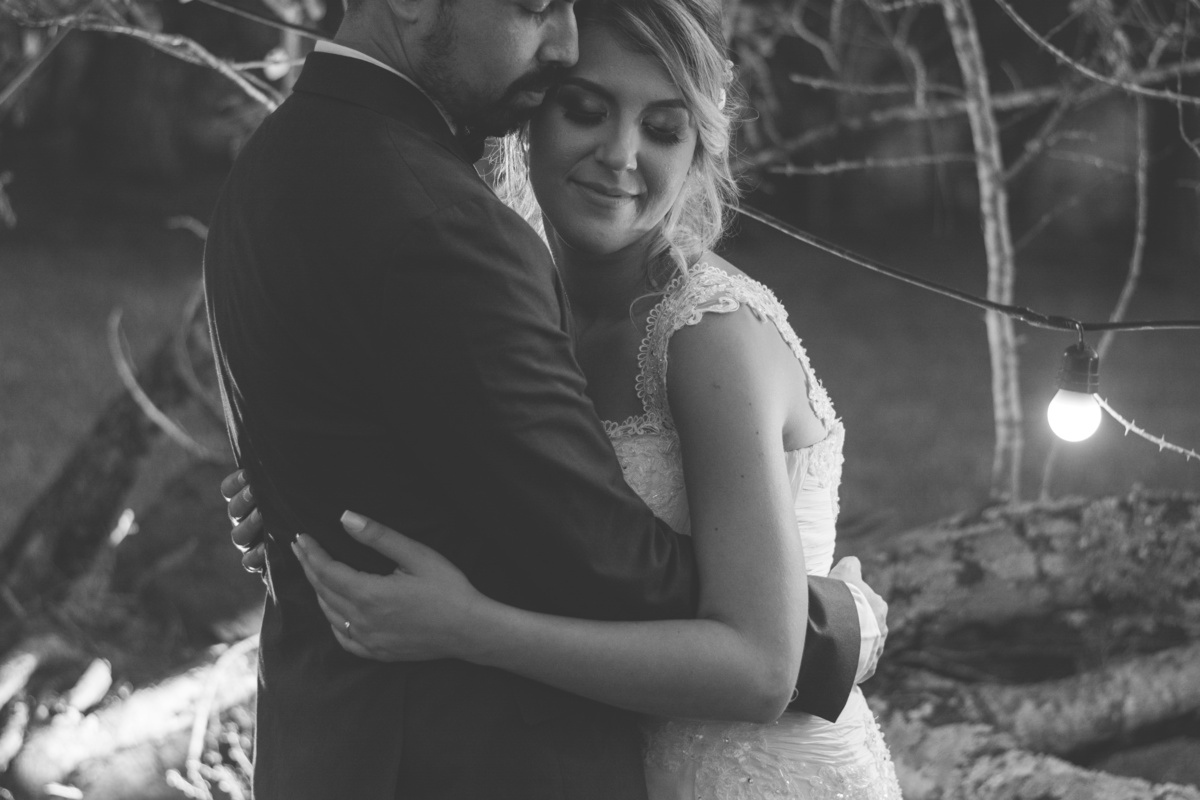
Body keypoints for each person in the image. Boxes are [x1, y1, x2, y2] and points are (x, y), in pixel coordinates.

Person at [217, 1, 899, 798]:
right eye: (584, 109)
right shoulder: (479, 262)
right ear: (533, 120)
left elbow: (748, 656)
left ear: (699, 151)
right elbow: (538, 511)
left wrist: (472, 626)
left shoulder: (709, 332)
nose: (621, 154)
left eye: (664, 129)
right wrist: (310, 493)